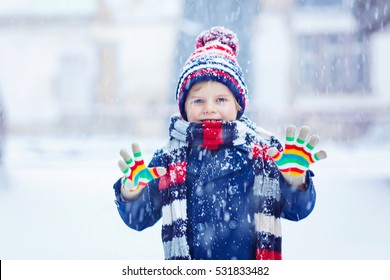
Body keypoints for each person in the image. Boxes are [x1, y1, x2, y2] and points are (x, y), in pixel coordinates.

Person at [113, 26, 327, 260]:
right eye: (198, 100)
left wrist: (295, 182)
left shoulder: (263, 153)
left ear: (238, 105)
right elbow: (139, 219)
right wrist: (131, 194)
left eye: (221, 99)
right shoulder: (168, 160)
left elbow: (297, 210)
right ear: (184, 108)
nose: (209, 108)